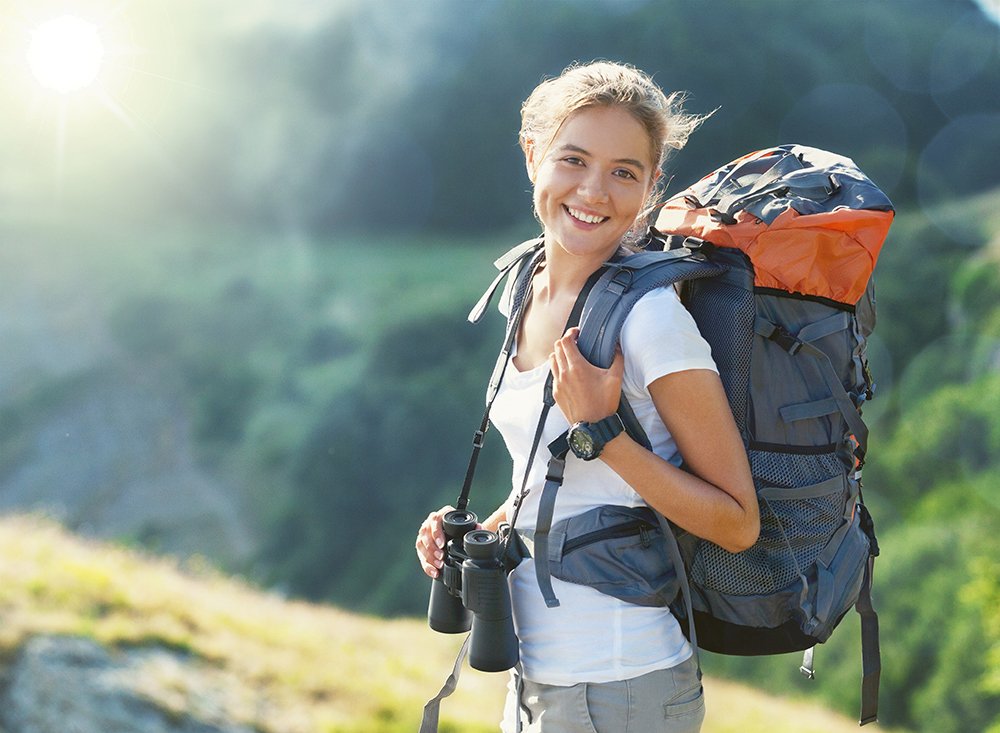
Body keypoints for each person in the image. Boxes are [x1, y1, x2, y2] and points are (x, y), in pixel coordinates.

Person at [415, 61, 759, 733]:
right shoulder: (523, 286)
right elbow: (557, 481)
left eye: (625, 171)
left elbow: (737, 520)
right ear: (532, 154)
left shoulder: (651, 319)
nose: (594, 191)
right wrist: (482, 528)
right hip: (535, 678)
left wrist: (606, 432)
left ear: (651, 187)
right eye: (573, 159)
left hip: (622, 687)